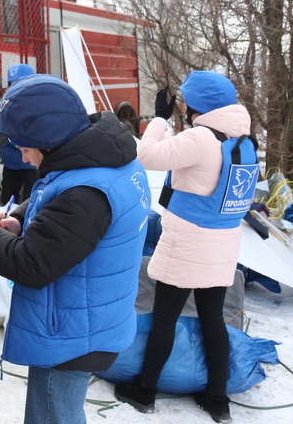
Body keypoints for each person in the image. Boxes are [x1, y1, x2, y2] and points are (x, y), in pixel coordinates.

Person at [0, 74, 150, 424]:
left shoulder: (86, 193)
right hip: (86, 317)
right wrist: (20, 219)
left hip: (71, 332)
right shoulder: (103, 159)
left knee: (53, 417)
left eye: (25, 148)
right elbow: (59, 198)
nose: (24, 158)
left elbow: (33, 263)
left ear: (47, 140)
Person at [114, 71, 257, 423]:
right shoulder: (242, 138)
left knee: (165, 317)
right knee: (213, 319)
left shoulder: (200, 138)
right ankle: (217, 399)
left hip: (188, 240)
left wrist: (160, 118)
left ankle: (145, 389)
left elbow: (145, 155)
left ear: (195, 105)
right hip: (224, 242)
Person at [0, 64, 37, 204]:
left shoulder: (39, 102)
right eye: (13, 83)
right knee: (8, 202)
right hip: (13, 159)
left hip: (32, 161)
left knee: (31, 201)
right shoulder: (6, 103)